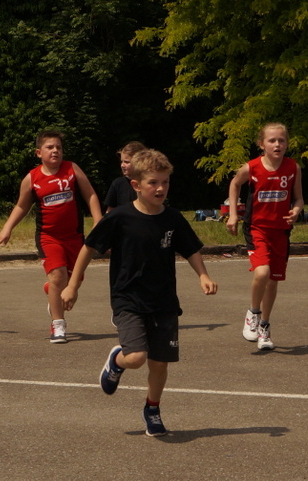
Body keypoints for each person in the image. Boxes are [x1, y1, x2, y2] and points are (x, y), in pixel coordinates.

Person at [61, 149, 217, 437]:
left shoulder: (172, 218)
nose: (160, 188)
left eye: (165, 182)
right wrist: (72, 286)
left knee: (159, 363)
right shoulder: (120, 217)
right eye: (153, 183)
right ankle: (117, 361)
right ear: (136, 185)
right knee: (136, 358)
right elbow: (89, 247)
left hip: (164, 301)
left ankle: (152, 409)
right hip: (128, 298)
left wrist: (203, 275)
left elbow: (190, 249)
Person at [0, 130, 102, 343]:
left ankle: (52, 290)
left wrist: (98, 220)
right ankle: (58, 324)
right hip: (48, 237)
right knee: (57, 277)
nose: (55, 151)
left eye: (58, 147)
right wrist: (8, 227)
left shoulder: (71, 169)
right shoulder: (32, 178)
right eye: (50, 147)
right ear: (38, 152)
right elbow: (21, 206)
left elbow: (90, 194)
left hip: (74, 237)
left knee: (75, 280)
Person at [227, 123, 303, 351]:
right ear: (262, 144)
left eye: (281, 140)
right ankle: (253, 313)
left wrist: (296, 211)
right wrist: (233, 214)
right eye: (272, 140)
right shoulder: (252, 167)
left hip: (280, 231)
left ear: (287, 143)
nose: (277, 144)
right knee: (262, 272)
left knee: (273, 281)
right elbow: (234, 184)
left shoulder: (293, 168)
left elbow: (299, 198)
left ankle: (264, 327)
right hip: (256, 228)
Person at [103, 141, 146, 212]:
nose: (122, 165)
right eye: (121, 161)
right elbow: (110, 211)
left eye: (126, 162)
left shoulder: (148, 183)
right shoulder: (118, 184)